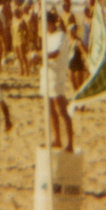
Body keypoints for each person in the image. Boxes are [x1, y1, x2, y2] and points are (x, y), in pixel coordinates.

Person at [41, 11, 74, 151]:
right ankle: (57, 139)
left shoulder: (61, 36)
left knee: (61, 109)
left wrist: (39, 56)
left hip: (57, 75)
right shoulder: (46, 36)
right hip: (47, 74)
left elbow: (55, 53)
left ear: (51, 23)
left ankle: (70, 142)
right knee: (50, 109)